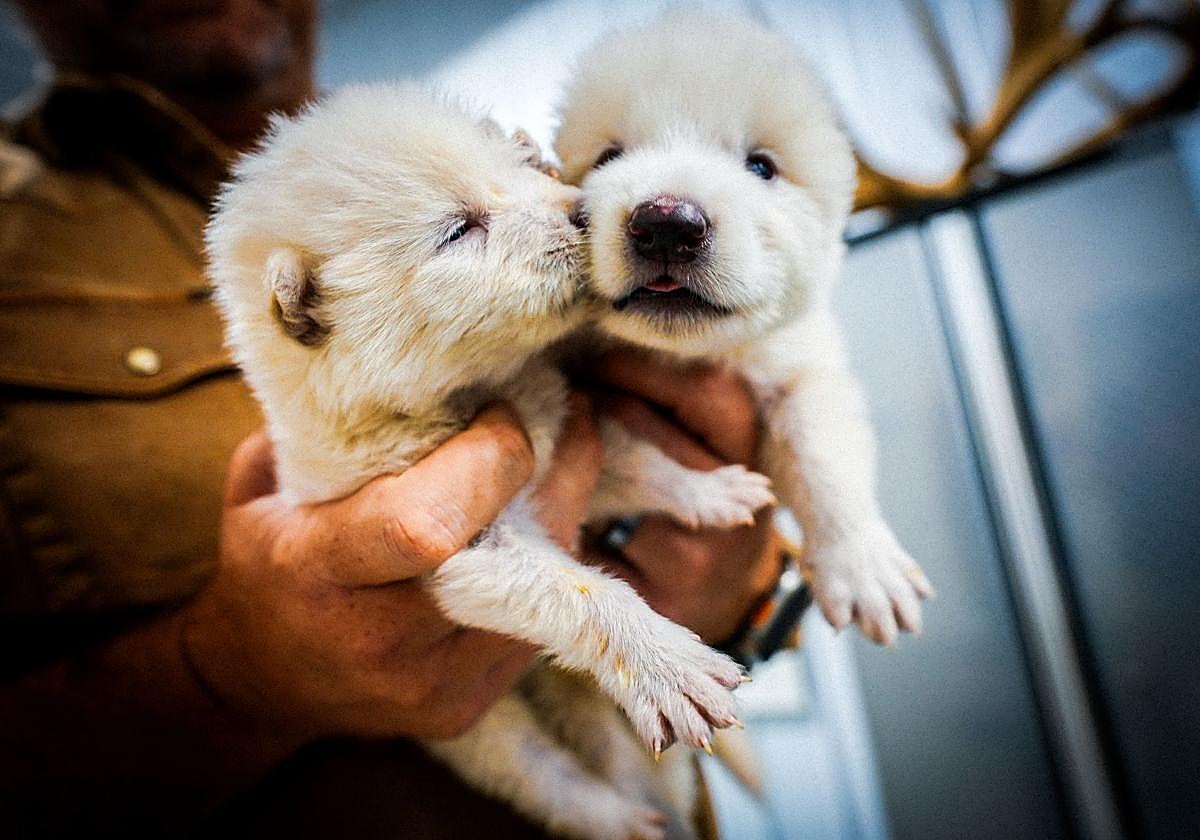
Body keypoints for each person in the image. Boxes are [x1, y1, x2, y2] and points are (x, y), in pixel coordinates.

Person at [0, 1, 786, 835]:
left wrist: (750, 592)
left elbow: (747, 465)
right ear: (306, 309)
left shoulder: (460, 138)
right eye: (458, 231)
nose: (567, 208)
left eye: (522, 174)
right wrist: (225, 678)